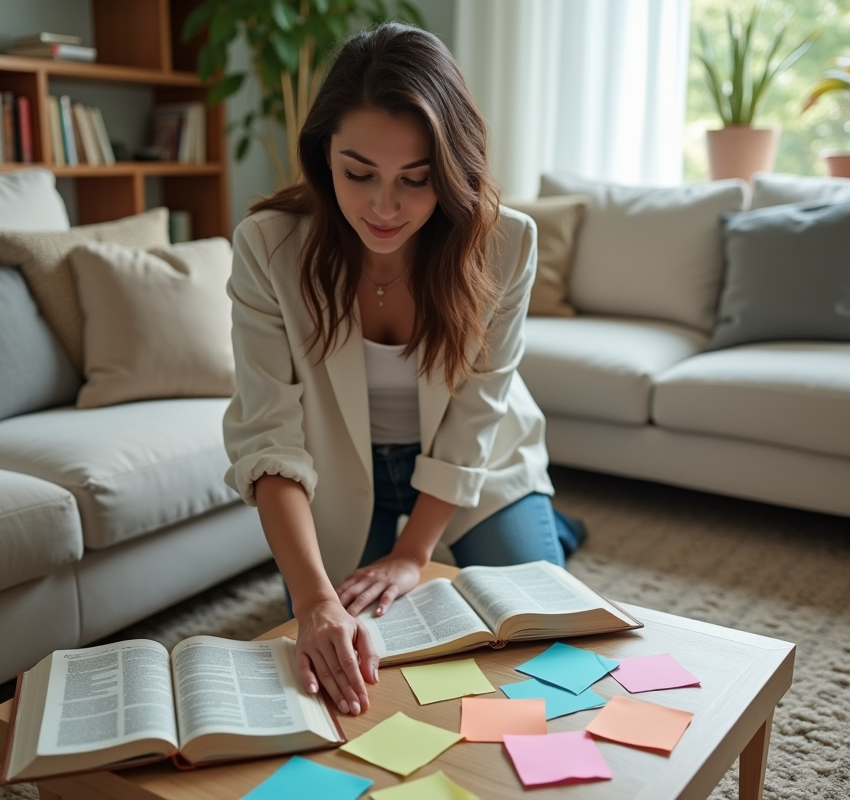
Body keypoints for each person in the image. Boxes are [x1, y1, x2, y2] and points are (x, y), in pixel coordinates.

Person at [222, 22, 585, 720]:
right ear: (323, 154)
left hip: (478, 464)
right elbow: (269, 440)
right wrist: (315, 601)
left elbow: (480, 408)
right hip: (337, 473)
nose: (384, 208)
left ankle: (540, 522)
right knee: (346, 648)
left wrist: (413, 554)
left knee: (536, 640)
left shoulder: (506, 242)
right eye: (359, 174)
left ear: (450, 173)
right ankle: (513, 532)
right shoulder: (267, 247)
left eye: (415, 181)